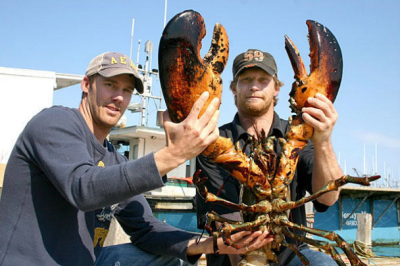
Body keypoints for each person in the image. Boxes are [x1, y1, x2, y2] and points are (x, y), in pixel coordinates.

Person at [0, 51, 272, 265]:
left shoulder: (113, 158)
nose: (119, 97)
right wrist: (173, 154)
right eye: (110, 84)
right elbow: (83, 188)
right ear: (86, 85)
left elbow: (145, 228)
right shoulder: (54, 122)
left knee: (173, 258)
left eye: (127, 90)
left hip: (88, 261)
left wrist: (213, 244)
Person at [195, 49, 343, 266]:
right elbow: (228, 228)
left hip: (293, 254)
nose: (254, 86)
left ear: (277, 88)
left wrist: (323, 140)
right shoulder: (212, 143)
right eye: (245, 79)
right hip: (236, 256)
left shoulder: (298, 137)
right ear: (233, 88)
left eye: (263, 79)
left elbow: (328, 198)